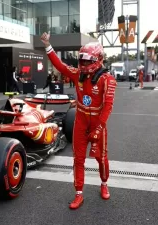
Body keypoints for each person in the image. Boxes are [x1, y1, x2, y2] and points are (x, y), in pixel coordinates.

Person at [40, 32, 117, 210]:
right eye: (81, 60)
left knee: (101, 158)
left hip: (98, 123)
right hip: (80, 122)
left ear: (98, 59)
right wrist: (47, 45)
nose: (83, 64)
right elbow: (60, 66)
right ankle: (78, 194)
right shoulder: (77, 74)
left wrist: (99, 128)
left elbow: (108, 107)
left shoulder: (107, 80)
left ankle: (104, 184)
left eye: (87, 61)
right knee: (78, 159)